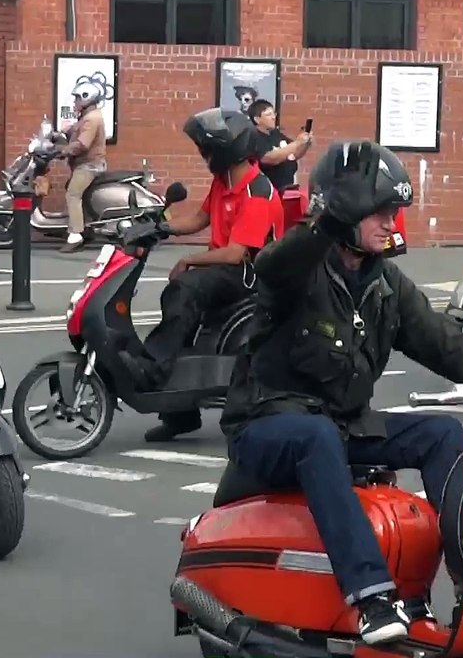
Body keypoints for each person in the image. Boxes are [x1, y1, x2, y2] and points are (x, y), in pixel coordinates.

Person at [219, 140, 463, 644]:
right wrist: (326, 225)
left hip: (337, 426)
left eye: (394, 212)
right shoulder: (297, 270)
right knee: (316, 436)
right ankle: (371, 598)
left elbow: (442, 341)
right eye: (378, 212)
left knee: (441, 433)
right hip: (266, 424)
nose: (390, 223)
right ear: (344, 210)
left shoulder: (384, 282)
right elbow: (274, 264)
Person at [124, 108, 286, 443]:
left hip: (249, 274)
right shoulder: (225, 179)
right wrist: (160, 227)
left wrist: (190, 261)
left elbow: (234, 253)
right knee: (182, 319)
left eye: (207, 149)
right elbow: (199, 219)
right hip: (226, 269)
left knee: (184, 288)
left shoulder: (257, 192)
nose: (204, 154)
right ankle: (179, 413)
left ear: (228, 149)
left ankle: (152, 366)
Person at [58, 82, 108, 253]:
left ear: (86, 98)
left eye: (77, 98)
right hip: (85, 164)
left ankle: (75, 234)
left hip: (89, 166)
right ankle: (85, 228)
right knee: (78, 194)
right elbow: (76, 132)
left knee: (73, 194)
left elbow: (82, 144)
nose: (75, 102)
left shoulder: (92, 119)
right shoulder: (88, 117)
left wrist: (63, 150)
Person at [248, 99, 313, 190]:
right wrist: (297, 143)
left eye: (274, 113)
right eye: (268, 114)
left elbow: (293, 154)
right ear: (257, 119)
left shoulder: (275, 134)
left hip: (287, 189)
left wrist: (305, 144)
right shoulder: (254, 136)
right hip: (267, 192)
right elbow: (268, 158)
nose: (273, 117)